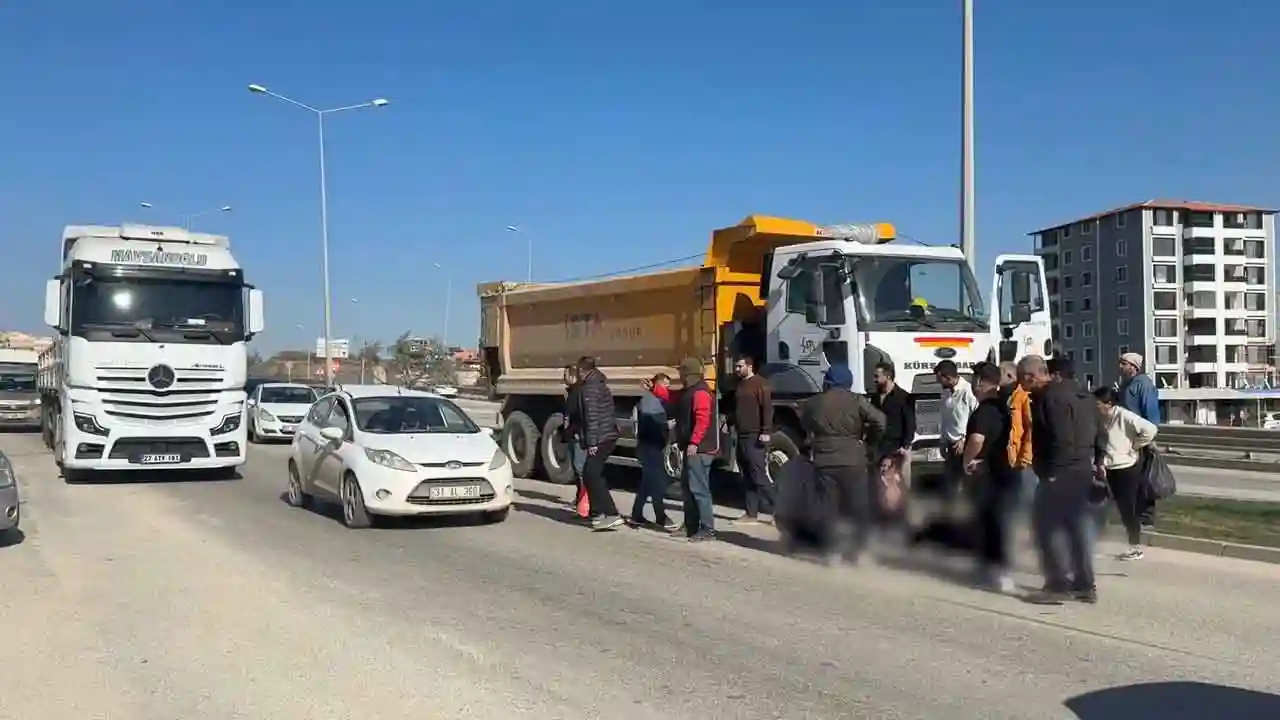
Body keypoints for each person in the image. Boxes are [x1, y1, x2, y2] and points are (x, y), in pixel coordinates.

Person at [1020, 354, 1099, 604]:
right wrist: (1098, 462)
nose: (1021, 386)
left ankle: (1057, 585)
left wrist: (1053, 472)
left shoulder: (1050, 397)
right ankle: (1084, 584)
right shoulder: (1085, 395)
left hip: (1059, 472)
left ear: (1031, 376)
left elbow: (1060, 436)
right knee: (1076, 529)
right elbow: (1100, 431)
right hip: (1082, 468)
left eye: (1023, 380)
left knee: (1047, 529)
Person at [799, 363, 886, 565]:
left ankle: (832, 553)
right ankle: (860, 551)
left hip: (824, 461)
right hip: (853, 460)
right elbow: (880, 421)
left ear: (828, 381)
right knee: (859, 508)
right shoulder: (857, 400)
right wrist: (870, 443)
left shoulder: (814, 402)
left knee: (828, 508)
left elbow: (805, 425)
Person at [961, 362, 1019, 592]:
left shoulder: (984, 410)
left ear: (979, 382)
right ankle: (994, 569)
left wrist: (967, 461)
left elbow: (977, 439)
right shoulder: (1005, 407)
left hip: (987, 474)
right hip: (1006, 470)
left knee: (990, 523)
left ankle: (997, 572)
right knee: (998, 522)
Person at [1093, 386, 1159, 561]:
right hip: (1107, 467)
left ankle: (1135, 547)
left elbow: (1151, 429)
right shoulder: (1101, 418)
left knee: (1127, 508)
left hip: (1125, 468)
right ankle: (1094, 541)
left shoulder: (1124, 416)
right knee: (1099, 505)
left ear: (1108, 404)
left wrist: (1136, 445)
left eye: (1097, 404)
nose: (1094, 407)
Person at [575, 356, 622, 531]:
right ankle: (598, 513)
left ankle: (611, 513)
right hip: (607, 434)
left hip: (601, 437)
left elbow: (592, 417)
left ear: (582, 370)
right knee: (593, 473)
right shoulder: (599, 383)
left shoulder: (590, 388)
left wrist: (592, 442)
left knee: (591, 473)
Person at [674, 357, 717, 542]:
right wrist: (655, 389)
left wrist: (694, 442)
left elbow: (703, 420)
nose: (679, 376)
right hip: (693, 448)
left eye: (681, 373)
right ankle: (690, 525)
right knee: (688, 487)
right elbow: (671, 397)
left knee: (699, 489)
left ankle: (707, 529)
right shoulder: (689, 391)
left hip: (700, 449)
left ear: (688, 374)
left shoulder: (700, 393)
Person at [1117, 352, 1161, 529]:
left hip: (1141, 438)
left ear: (1134, 366)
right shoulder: (1125, 384)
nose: (1120, 366)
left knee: (1143, 478)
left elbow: (1151, 412)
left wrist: (1150, 438)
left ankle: (1146, 516)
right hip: (1125, 438)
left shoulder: (1143, 384)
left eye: (1124, 363)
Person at [870, 361, 915, 528]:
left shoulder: (904, 397)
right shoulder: (875, 398)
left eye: (877, 376)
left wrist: (905, 446)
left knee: (900, 483)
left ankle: (903, 517)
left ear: (888, 377)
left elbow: (910, 424)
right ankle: (883, 517)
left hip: (898, 447)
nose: (874, 379)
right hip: (879, 447)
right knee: (880, 484)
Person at [631, 373, 679, 530]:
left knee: (648, 482)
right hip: (651, 448)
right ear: (657, 384)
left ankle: (638, 514)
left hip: (647, 447)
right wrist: (667, 427)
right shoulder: (652, 403)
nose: (667, 388)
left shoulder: (646, 401)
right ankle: (659, 516)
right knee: (654, 482)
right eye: (665, 384)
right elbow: (653, 426)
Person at [732, 355, 776, 525]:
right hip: (741, 435)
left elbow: (767, 409)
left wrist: (765, 431)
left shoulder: (760, 384)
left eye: (740, 366)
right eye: (736, 366)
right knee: (747, 476)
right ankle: (751, 514)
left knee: (758, 475)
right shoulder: (741, 384)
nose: (736, 369)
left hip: (755, 435)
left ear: (750, 366)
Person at [935, 360, 978, 510]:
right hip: (950, 444)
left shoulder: (967, 391)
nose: (938, 382)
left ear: (947, 377)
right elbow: (945, 418)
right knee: (950, 483)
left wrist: (965, 439)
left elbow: (976, 416)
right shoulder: (946, 392)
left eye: (939, 379)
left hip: (964, 444)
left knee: (965, 482)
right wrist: (942, 440)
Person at [1000, 361, 1036, 508]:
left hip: (1023, 461)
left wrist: (1025, 458)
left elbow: (1030, 428)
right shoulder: (1007, 396)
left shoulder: (1024, 397)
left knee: (1025, 500)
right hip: (1011, 458)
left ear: (1010, 376)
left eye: (999, 374)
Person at [561, 364, 589, 518]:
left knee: (580, 469)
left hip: (577, 436)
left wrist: (576, 433)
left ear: (573, 376)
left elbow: (578, 416)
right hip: (573, 435)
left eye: (565, 374)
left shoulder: (578, 392)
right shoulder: (572, 392)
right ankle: (580, 497)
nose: (563, 377)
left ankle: (584, 501)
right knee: (577, 469)